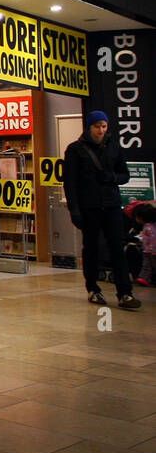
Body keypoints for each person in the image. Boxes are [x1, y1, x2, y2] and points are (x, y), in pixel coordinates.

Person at [63, 111, 140, 309]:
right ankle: (93, 288)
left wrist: (112, 177)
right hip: (89, 207)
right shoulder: (75, 150)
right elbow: (70, 183)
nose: (101, 130)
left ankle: (125, 293)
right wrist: (75, 210)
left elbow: (125, 175)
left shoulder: (114, 147)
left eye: (104, 126)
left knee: (117, 248)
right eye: (97, 126)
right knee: (92, 248)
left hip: (112, 205)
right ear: (89, 127)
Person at [133, 203, 156, 287]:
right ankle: (144, 278)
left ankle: (144, 278)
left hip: (149, 251)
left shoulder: (147, 227)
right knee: (148, 265)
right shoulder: (153, 226)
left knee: (147, 265)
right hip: (151, 250)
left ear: (141, 218)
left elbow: (146, 239)